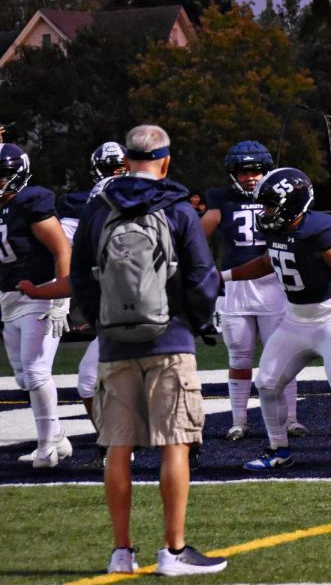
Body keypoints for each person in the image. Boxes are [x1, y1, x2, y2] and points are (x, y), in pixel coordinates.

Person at [69, 125, 226, 576]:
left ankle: (121, 552)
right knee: (175, 442)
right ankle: (173, 552)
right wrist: (197, 322)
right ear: (165, 160)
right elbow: (201, 276)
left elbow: (81, 275)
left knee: (118, 446)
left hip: (115, 343)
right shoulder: (176, 207)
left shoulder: (98, 207)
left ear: (127, 157)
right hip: (170, 339)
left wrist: (103, 321)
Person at [225, 167, 331, 473]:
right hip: (296, 317)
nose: (265, 211)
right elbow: (268, 261)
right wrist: (224, 277)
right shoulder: (276, 227)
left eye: (271, 205)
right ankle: (278, 449)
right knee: (267, 382)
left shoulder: (319, 229)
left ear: (292, 204)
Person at [19, 141, 128, 469]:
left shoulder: (157, 204)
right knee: (88, 379)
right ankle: (114, 445)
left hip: (147, 310)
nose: (116, 175)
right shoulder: (81, 210)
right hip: (115, 309)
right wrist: (50, 296)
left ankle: (177, 447)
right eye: (111, 169)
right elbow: (69, 259)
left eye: (121, 168)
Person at [201, 140, 305, 441]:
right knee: (240, 357)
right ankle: (239, 421)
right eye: (243, 171)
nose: (250, 177)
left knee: (282, 357)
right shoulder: (221, 199)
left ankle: (292, 419)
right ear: (233, 173)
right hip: (236, 288)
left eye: (256, 171)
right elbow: (195, 237)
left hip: (274, 285)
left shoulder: (278, 196)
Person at [0, 143, 73, 468]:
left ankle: (46, 449)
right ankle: (57, 435)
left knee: (36, 371)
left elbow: (62, 250)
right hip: (9, 297)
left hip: (40, 293)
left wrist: (61, 300)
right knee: (22, 377)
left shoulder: (31, 201)